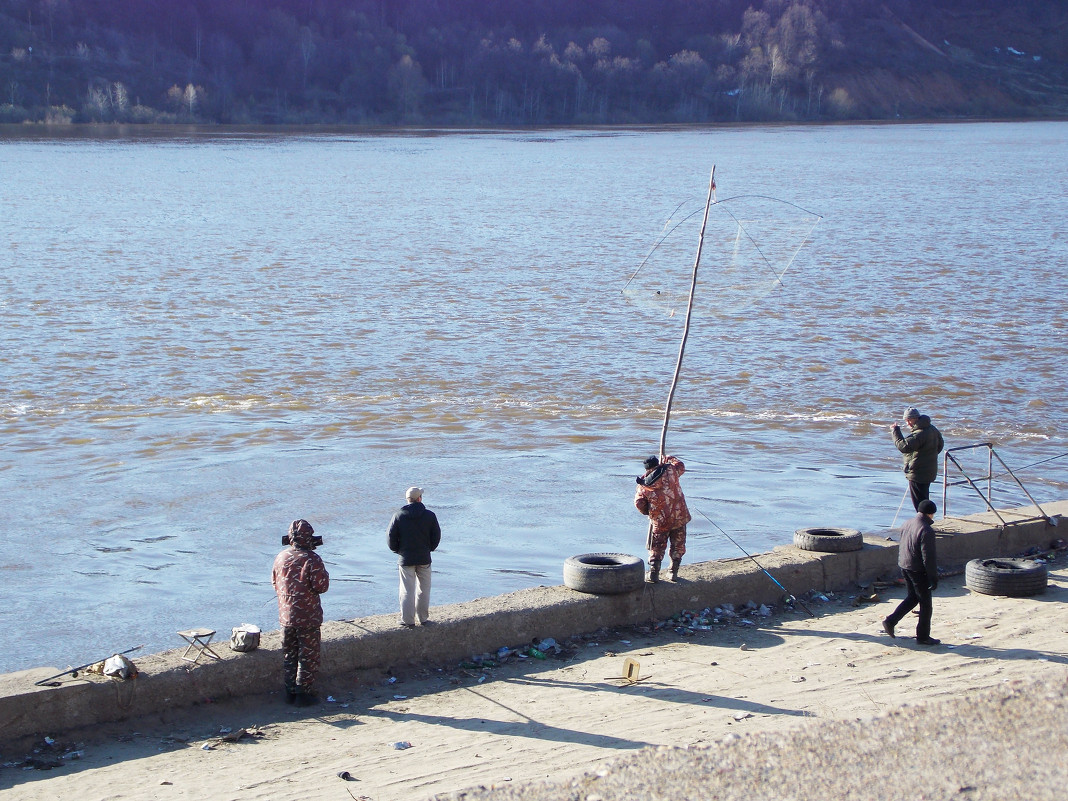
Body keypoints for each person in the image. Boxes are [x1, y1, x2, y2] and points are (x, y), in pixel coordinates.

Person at [271, 518, 330, 706]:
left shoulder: (280, 557)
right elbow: (322, 586)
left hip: (285, 616)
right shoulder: (312, 559)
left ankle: (289, 693)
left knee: (289, 654)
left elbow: (275, 583)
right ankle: (304, 694)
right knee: (308, 655)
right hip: (308, 616)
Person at [882, 499, 940, 646]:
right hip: (917, 570)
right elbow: (928, 557)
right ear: (931, 514)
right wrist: (933, 577)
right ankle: (923, 637)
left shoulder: (907, 523)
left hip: (904, 565)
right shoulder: (926, 530)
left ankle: (890, 621)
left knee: (913, 598)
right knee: (926, 605)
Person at [387, 486, 441, 629]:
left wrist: (398, 550)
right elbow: (436, 537)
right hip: (424, 557)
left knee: (406, 590)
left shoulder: (398, 515)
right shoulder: (430, 515)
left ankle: (408, 620)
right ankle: (423, 618)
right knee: (424, 589)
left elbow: (390, 538)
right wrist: (429, 549)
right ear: (419, 499)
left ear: (408, 500)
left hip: (406, 558)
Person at [634, 454, 691, 583]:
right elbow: (681, 466)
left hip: (660, 520)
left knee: (657, 547)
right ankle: (673, 572)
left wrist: (648, 512)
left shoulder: (644, 486)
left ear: (647, 469)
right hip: (679, 516)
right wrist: (669, 458)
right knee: (678, 544)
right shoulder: (671, 471)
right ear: (658, 463)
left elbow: (639, 503)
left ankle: (654, 573)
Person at [892, 406, 944, 511]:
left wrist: (895, 431)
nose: (907, 423)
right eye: (906, 420)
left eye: (908, 420)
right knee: (924, 499)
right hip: (929, 471)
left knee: (919, 503)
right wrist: (928, 456)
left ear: (915, 419)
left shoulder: (920, 433)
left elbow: (904, 447)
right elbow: (940, 445)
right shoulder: (932, 428)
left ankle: (924, 522)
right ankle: (927, 521)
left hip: (918, 473)